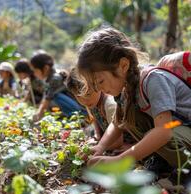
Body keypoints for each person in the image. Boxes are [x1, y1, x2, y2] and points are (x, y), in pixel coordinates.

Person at [76, 27, 191, 169]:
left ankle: (183, 171)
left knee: (164, 137)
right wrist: (101, 146)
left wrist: (119, 160)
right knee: (130, 118)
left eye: (100, 81)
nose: (99, 89)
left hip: (182, 129)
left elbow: (163, 131)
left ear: (123, 65)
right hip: (177, 129)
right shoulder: (126, 89)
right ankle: (162, 161)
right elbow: (117, 122)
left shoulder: (153, 79)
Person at [66, 68, 133, 150]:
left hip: (127, 142)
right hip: (108, 140)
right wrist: (97, 136)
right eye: (79, 97)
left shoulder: (110, 104)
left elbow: (117, 142)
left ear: (96, 85)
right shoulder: (92, 102)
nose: (84, 101)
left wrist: (94, 147)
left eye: (88, 94)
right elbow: (94, 118)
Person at [30, 50, 86, 121]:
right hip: (72, 105)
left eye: (35, 70)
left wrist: (38, 115)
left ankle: (80, 117)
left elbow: (47, 99)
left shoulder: (55, 78)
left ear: (46, 68)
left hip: (79, 107)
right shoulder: (50, 78)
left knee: (55, 96)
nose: (34, 74)